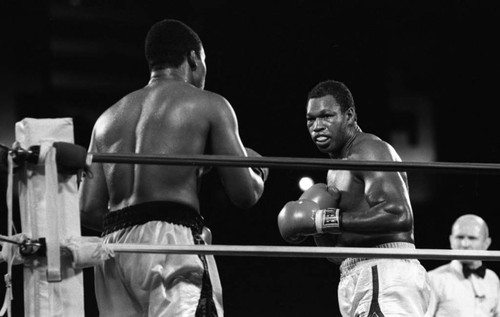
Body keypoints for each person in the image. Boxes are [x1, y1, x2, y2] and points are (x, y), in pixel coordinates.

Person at [78, 19, 268, 317]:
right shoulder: (209, 104)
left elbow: (87, 209)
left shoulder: (106, 119)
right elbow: (244, 194)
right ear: (193, 58)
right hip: (171, 242)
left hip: (113, 250)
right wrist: (257, 172)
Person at [277, 80, 430, 316]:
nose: (317, 126)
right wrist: (316, 230)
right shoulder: (335, 169)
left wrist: (323, 220)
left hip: (383, 270)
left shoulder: (368, 149)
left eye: (327, 116)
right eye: (311, 119)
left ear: (349, 116)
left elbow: (398, 214)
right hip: (358, 273)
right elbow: (338, 253)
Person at [426, 214, 500, 317]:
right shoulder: (434, 279)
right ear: (451, 240)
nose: (465, 244)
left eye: (472, 238)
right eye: (460, 237)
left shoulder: (492, 279)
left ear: (486, 243)